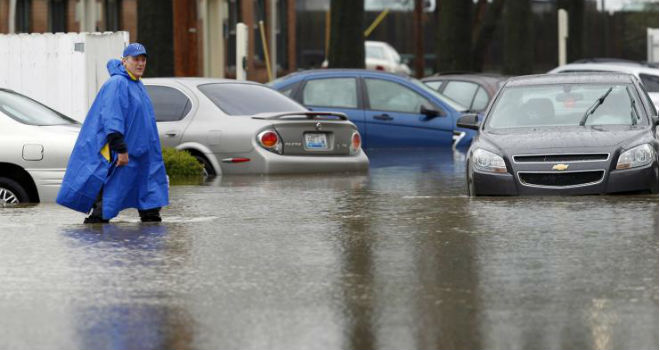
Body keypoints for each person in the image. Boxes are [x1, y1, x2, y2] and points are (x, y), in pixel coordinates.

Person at [57, 43, 169, 223]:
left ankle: (148, 248)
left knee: (151, 209)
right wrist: (122, 151)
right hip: (124, 156)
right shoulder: (117, 84)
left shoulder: (137, 85)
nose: (140, 63)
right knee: (107, 204)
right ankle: (97, 243)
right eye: (135, 59)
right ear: (124, 61)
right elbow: (112, 119)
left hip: (143, 158)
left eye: (143, 60)